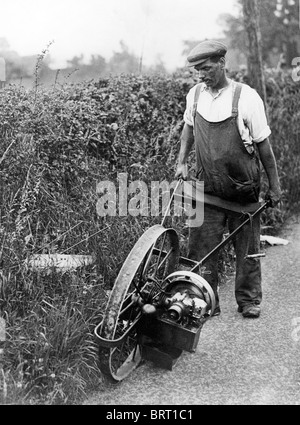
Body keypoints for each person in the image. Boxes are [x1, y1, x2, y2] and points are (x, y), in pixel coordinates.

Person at [175, 40, 281, 318]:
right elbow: (188, 128)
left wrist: (275, 186)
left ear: (222, 63)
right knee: (202, 248)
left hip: (242, 190)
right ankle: (207, 301)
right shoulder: (195, 95)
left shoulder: (246, 97)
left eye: (207, 68)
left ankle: (248, 300)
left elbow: (264, 147)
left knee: (247, 249)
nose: (202, 75)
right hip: (206, 188)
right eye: (197, 70)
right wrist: (181, 162)